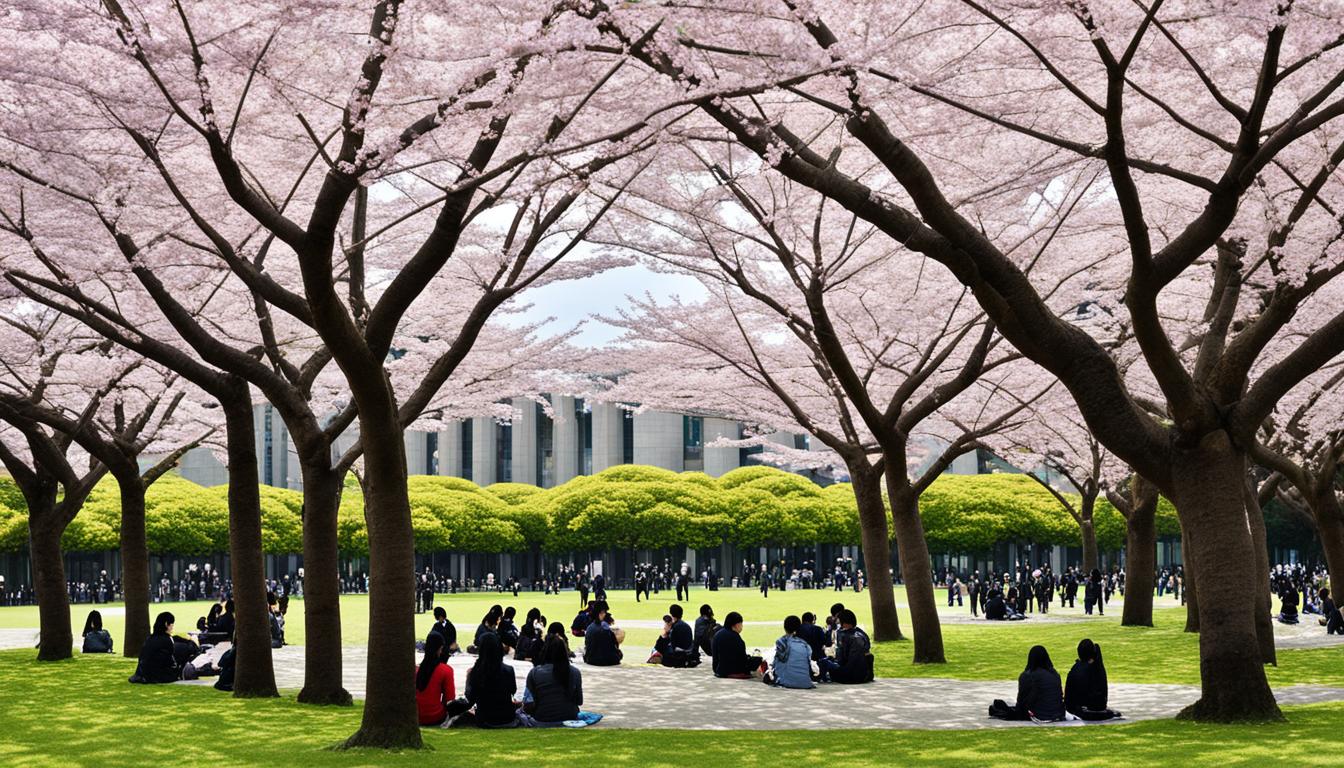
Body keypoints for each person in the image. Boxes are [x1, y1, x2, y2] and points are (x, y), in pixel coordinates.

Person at [458, 633, 518, 728]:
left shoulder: (475, 672)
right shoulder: (509, 670)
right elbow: (513, 690)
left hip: (485, 719)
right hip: (507, 718)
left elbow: (470, 699)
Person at [989, 645, 1064, 721]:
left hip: (1038, 715)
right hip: (1058, 713)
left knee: (1003, 709)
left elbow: (1021, 700)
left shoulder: (1028, 675)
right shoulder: (1055, 674)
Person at [523, 634, 584, 726]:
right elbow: (579, 700)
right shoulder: (575, 672)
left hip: (542, 717)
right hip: (569, 716)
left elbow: (528, 703)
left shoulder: (535, 673)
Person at [1065, 638, 1121, 720]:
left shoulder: (1076, 669)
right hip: (1097, 708)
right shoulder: (1098, 668)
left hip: (1082, 709)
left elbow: (1069, 696)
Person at [820, 609, 873, 684]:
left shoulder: (846, 636)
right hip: (865, 674)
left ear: (844, 622)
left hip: (851, 675)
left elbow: (843, 659)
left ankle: (820, 679)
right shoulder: (862, 634)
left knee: (824, 661)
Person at [415, 632, 457, 726]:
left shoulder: (415, 670)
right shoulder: (446, 670)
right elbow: (450, 699)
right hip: (435, 716)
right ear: (440, 649)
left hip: (416, 715)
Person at [765, 615, 815, 689]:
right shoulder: (804, 644)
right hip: (805, 683)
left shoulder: (782, 642)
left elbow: (776, 663)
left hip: (786, 681)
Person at [130, 612, 180, 684]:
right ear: (166, 624)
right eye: (172, 624)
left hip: (143, 673)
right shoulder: (166, 640)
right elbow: (169, 661)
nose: (172, 627)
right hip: (157, 675)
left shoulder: (149, 639)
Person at [711, 612, 762, 679]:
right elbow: (742, 660)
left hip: (717, 669)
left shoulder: (718, 634)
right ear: (737, 625)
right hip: (730, 670)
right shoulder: (735, 638)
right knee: (758, 660)